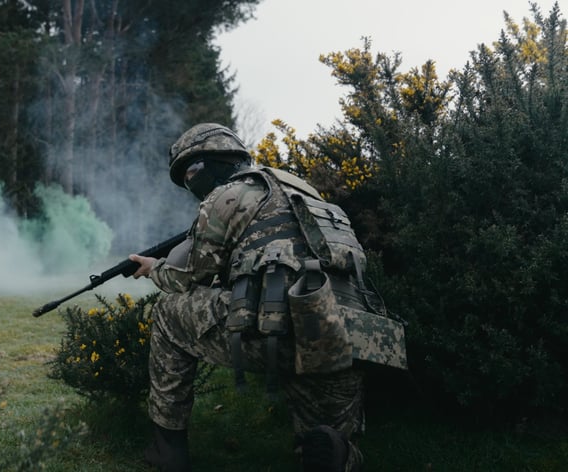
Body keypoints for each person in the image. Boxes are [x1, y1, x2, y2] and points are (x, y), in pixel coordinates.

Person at [129, 123, 407, 472]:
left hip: (277, 329)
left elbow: (186, 277)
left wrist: (153, 268)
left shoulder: (226, 196)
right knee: (327, 437)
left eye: (191, 172)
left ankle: (167, 449)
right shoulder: (305, 191)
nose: (191, 183)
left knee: (169, 312)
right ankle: (333, 449)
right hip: (344, 334)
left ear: (213, 161)